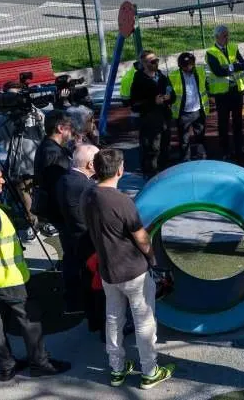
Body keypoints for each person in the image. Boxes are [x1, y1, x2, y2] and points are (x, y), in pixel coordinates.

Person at [0, 160, 71, 381]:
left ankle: (6, 366)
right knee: (30, 318)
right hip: (8, 278)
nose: (3, 181)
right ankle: (40, 363)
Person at [82, 149, 174, 389]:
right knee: (144, 321)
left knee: (113, 319)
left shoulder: (88, 195)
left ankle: (117, 369)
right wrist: (153, 259)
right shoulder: (122, 201)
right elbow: (141, 238)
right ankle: (149, 371)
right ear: (120, 170)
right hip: (133, 271)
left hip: (108, 271)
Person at [0, 81, 46, 233]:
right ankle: (33, 223)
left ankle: (44, 219)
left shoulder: (34, 113)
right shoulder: (5, 116)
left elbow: (45, 133)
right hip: (18, 162)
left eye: (15, 96)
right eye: (9, 96)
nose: (12, 99)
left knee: (39, 191)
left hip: (35, 159)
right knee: (23, 190)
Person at [55, 144, 99, 314]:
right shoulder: (86, 186)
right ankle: (87, 307)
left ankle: (74, 303)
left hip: (69, 234)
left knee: (72, 268)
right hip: (84, 239)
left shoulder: (64, 178)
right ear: (90, 165)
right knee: (87, 275)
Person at [206, 24, 244, 159]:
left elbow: (243, 64)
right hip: (222, 94)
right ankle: (225, 151)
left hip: (236, 91)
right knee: (223, 123)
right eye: (224, 36)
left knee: (238, 122)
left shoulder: (233, 47)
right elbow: (218, 72)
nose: (227, 38)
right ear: (217, 37)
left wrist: (229, 67)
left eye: (228, 35)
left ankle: (239, 149)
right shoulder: (211, 52)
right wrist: (233, 66)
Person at [130, 50, 172, 180]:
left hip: (164, 119)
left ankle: (164, 173)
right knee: (152, 149)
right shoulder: (139, 81)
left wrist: (169, 97)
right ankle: (150, 176)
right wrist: (153, 102)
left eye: (157, 60)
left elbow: (172, 93)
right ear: (144, 63)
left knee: (165, 147)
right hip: (149, 121)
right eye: (152, 61)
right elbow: (134, 104)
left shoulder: (162, 76)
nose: (156, 63)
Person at [33, 110, 73, 236]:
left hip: (55, 209)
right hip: (60, 211)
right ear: (61, 128)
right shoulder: (54, 153)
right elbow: (63, 185)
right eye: (70, 127)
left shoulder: (48, 145)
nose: (73, 131)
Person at [169, 52, 208, 163]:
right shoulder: (173, 76)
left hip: (198, 110)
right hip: (184, 113)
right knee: (184, 139)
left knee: (200, 135)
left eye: (191, 64)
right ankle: (186, 160)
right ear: (180, 65)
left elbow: (205, 86)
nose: (189, 67)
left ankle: (202, 156)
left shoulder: (200, 71)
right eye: (186, 65)